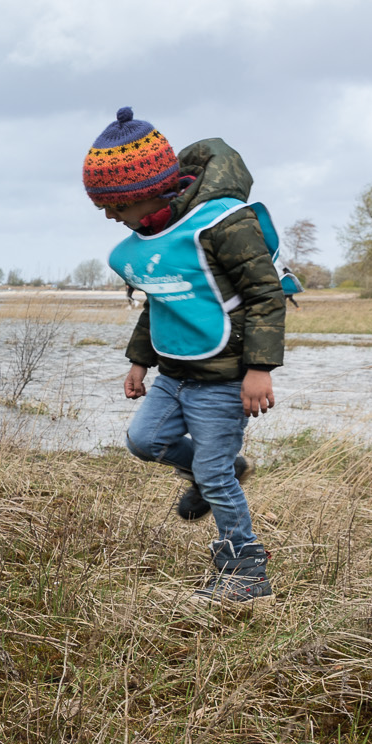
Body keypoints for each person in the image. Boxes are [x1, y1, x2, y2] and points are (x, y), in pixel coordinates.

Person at [87, 109, 290, 602]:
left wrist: (260, 368)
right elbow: (164, 294)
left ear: (143, 195)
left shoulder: (222, 223)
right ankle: (213, 467)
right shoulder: (154, 239)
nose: (111, 217)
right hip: (176, 373)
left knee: (215, 476)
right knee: (143, 439)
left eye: (114, 207)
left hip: (225, 377)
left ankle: (246, 571)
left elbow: (265, 295)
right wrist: (140, 361)